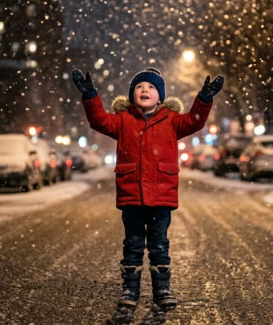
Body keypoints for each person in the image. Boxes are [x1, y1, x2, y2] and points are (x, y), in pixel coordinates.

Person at [71, 67, 224, 309]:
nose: (145, 90)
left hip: (161, 195)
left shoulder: (172, 121)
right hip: (132, 195)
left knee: (159, 245)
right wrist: (90, 95)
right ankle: (130, 290)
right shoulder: (122, 120)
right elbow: (99, 120)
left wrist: (204, 99)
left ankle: (162, 289)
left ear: (160, 97)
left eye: (151, 87)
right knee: (132, 244)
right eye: (140, 87)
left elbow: (195, 121)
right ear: (132, 95)